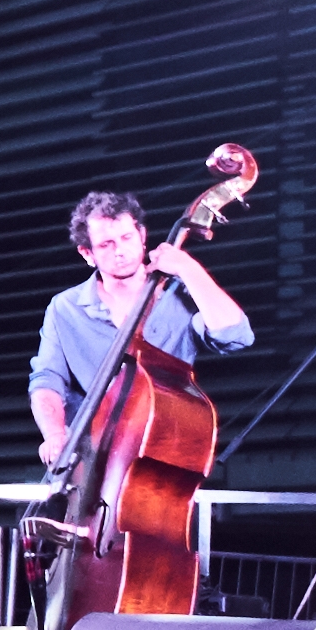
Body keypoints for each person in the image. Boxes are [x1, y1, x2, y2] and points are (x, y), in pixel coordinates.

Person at [24, 187, 252, 480]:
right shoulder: (65, 307)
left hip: (159, 459)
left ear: (142, 236)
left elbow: (236, 336)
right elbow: (47, 379)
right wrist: (55, 433)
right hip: (87, 463)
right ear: (87, 254)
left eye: (127, 238)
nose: (120, 251)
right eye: (105, 245)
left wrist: (188, 268)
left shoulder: (179, 296)